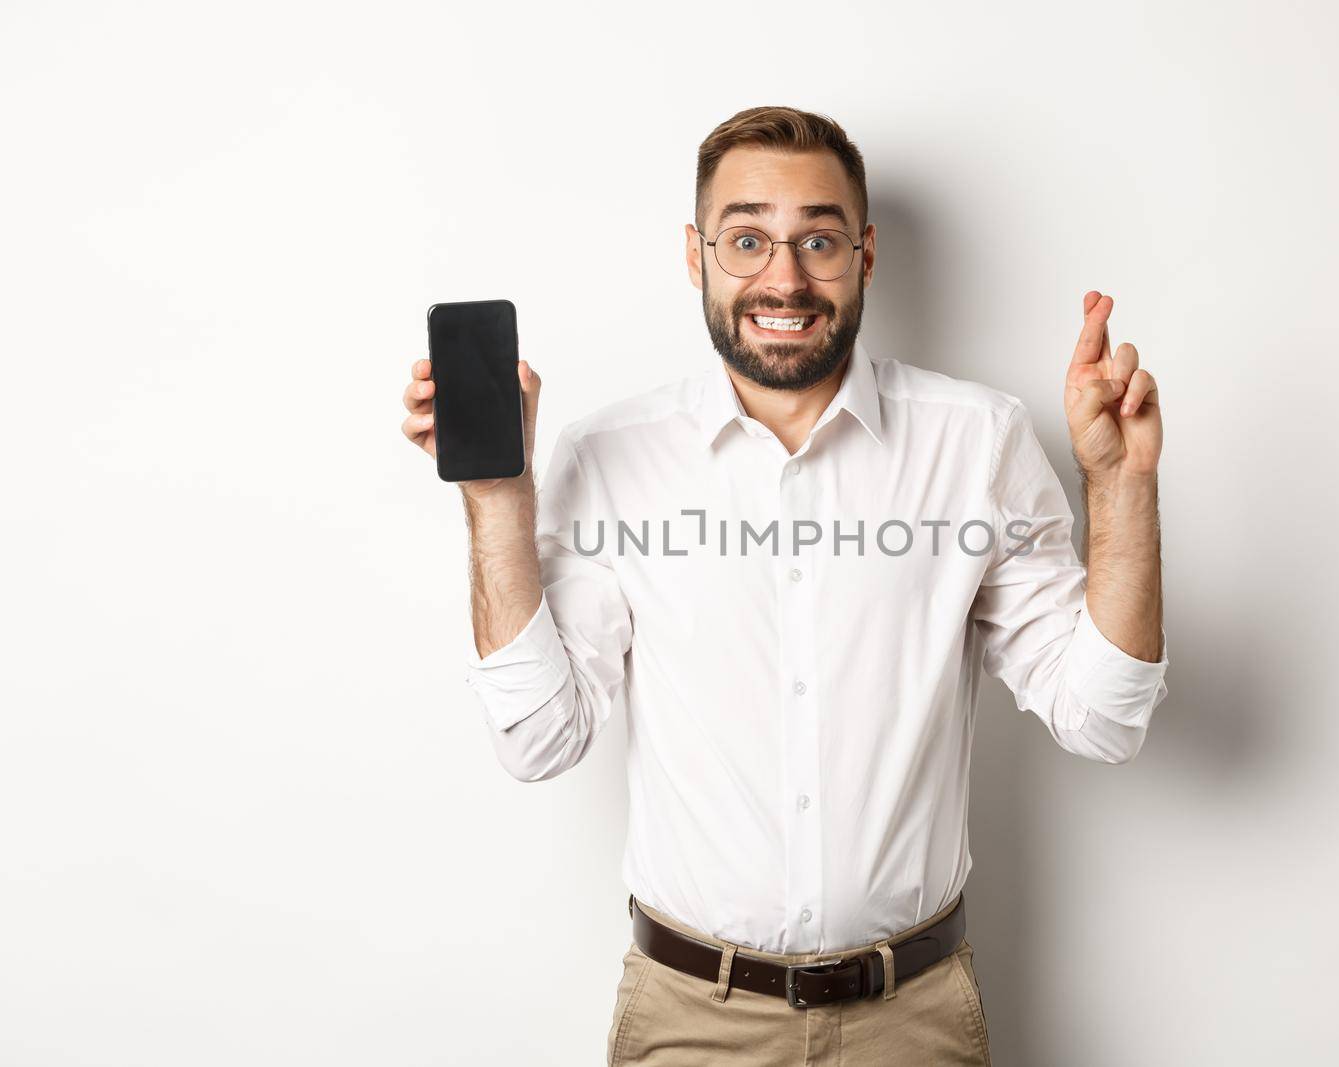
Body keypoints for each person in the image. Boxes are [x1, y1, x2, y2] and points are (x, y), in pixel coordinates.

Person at [400, 105, 1169, 1066]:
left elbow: (1103, 718)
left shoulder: (978, 443)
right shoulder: (610, 457)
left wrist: (1121, 486)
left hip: (914, 1021)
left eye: (818, 239)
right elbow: (539, 738)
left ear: (866, 252)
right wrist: (498, 499)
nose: (785, 277)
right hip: (692, 1021)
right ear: (696, 254)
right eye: (748, 238)